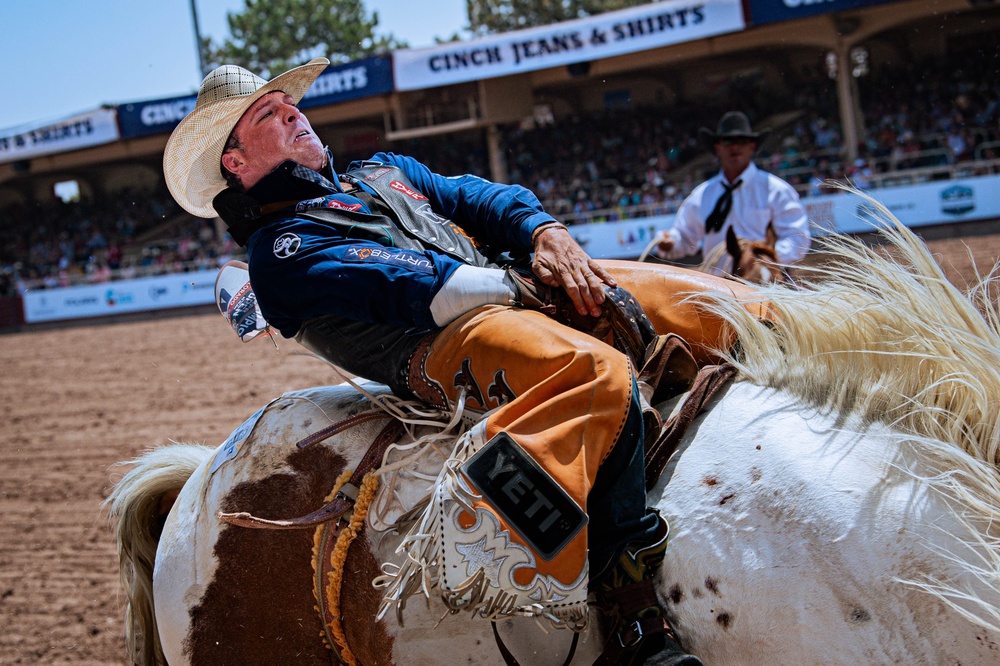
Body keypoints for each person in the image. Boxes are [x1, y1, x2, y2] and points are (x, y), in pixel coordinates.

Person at [164, 58, 707, 666]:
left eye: (288, 102)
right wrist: (529, 284)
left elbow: (476, 196)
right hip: (442, 342)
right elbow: (421, 288)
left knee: (710, 302)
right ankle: (629, 615)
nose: (294, 111)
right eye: (268, 113)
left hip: (513, 287)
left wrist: (545, 232)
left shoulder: (382, 171)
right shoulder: (281, 250)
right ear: (235, 163)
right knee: (593, 373)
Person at [653, 111, 811, 272]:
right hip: (717, 285)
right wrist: (670, 242)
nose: (735, 147)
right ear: (718, 148)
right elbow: (685, 237)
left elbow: (797, 238)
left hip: (767, 282)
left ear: (752, 146)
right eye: (728, 141)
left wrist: (763, 258)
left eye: (741, 141)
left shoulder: (777, 191)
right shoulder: (701, 196)